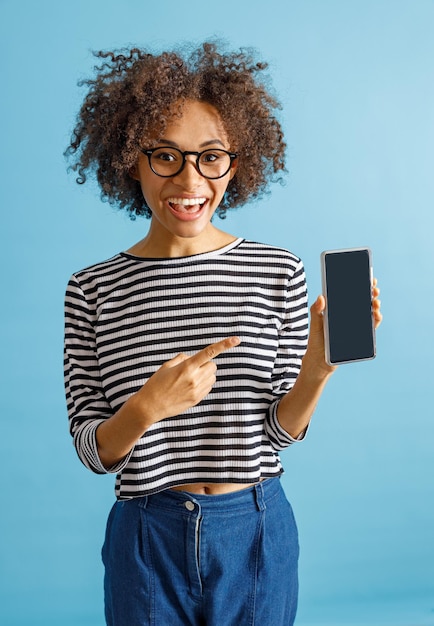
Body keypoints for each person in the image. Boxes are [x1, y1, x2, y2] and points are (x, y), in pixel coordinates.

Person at [64, 42, 382, 626]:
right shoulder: (91, 289)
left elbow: (280, 434)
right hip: (145, 534)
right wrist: (147, 406)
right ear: (130, 159)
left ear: (236, 164)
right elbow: (93, 450)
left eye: (211, 157)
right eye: (165, 156)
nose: (190, 179)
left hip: (255, 528)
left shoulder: (278, 272)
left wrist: (318, 366)